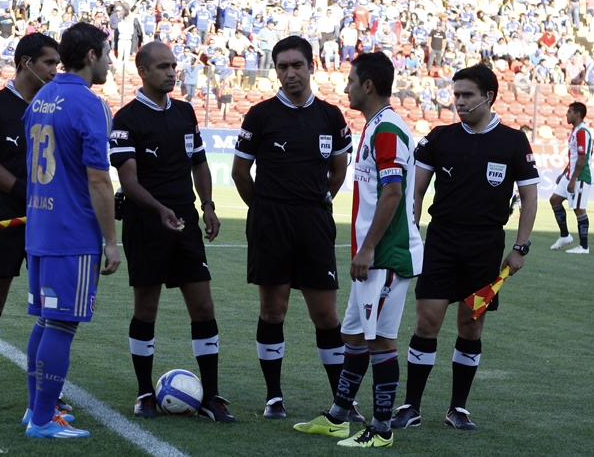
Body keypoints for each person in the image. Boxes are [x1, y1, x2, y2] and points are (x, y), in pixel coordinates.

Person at [391, 62, 539, 431]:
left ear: (487, 97)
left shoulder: (513, 141)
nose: (458, 101)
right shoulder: (439, 138)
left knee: (471, 327)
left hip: (485, 248)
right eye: (455, 94)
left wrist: (521, 246)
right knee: (426, 323)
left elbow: (530, 197)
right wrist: (411, 231)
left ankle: (458, 408)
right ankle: (411, 406)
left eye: (466, 95)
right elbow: (416, 192)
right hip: (441, 242)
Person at [293, 51, 423, 448]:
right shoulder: (375, 126)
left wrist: (366, 250)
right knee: (352, 334)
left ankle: (381, 430)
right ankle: (338, 416)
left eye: (350, 80)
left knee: (380, 341)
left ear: (368, 85)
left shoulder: (387, 130)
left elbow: (393, 192)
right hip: (375, 256)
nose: (346, 87)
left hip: (386, 256)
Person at [109, 41, 236, 423]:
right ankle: (145, 392)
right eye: (163, 66)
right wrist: (159, 209)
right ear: (143, 72)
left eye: (174, 65)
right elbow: (128, 181)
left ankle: (211, 396)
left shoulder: (185, 112)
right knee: (146, 308)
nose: (171, 71)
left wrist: (208, 205)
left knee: (203, 306)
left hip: (184, 223)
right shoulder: (126, 118)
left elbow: (200, 163)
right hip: (145, 223)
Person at [231, 36, 353, 419]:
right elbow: (239, 173)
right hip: (271, 222)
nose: (289, 73)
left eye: (296, 65)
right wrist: (267, 209)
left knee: (327, 315)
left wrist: (317, 202)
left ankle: (342, 402)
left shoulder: (331, 116)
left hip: (315, 221)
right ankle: (274, 398)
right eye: (282, 67)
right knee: (273, 311)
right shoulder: (260, 115)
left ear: (311, 66)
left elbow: (338, 169)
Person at [23, 22, 121, 439]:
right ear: (92, 56)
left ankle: (35, 411)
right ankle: (44, 420)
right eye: (107, 52)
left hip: (40, 229)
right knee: (61, 324)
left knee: (45, 322)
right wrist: (111, 241)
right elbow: (99, 180)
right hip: (72, 232)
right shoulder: (90, 104)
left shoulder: (42, 94)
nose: (111, 61)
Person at [0, 33, 62, 415]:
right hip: (5, 215)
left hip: (48, 219)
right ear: (26, 63)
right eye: (49, 63)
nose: (56, 70)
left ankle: (48, 391)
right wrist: (30, 195)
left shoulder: (56, 106)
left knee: (51, 306)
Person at [549, 102, 593, 254]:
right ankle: (565, 235)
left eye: (569, 112)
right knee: (554, 200)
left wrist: (573, 179)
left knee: (579, 210)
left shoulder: (582, 132)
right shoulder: (574, 131)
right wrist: (564, 174)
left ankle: (584, 246)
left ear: (578, 114)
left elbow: (582, 158)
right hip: (570, 175)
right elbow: (574, 158)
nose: (566, 115)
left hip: (580, 177)